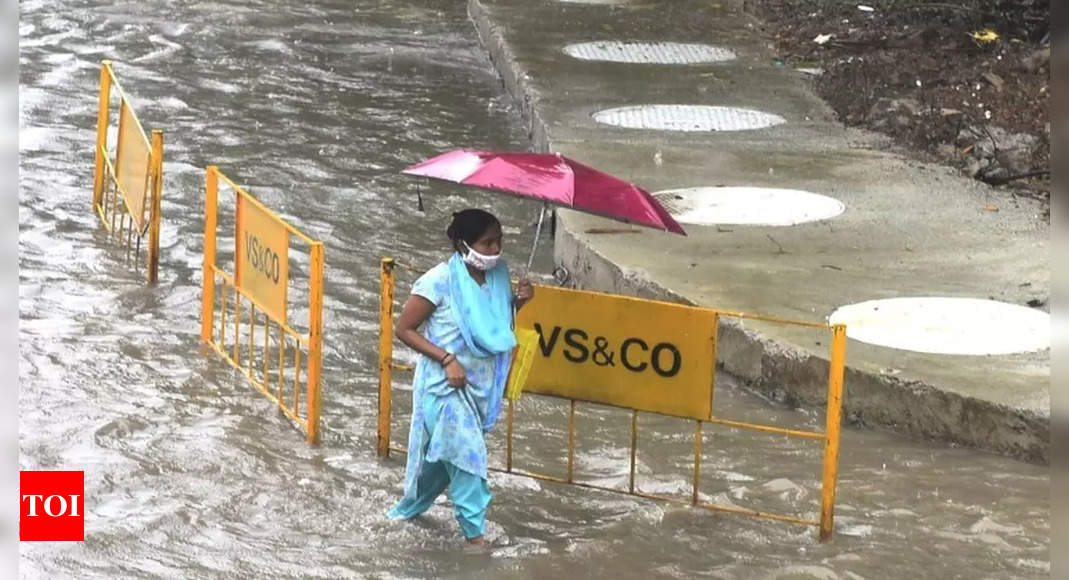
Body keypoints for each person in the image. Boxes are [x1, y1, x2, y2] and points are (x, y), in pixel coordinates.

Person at [387, 208, 535, 544]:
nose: (495, 250)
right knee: (468, 460)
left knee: (440, 466)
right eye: (487, 243)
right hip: (445, 391)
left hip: (479, 390)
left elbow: (492, 325)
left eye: (499, 242)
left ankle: (397, 519)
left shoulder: (498, 277)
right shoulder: (438, 280)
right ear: (462, 243)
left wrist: (520, 303)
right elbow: (405, 329)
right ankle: (475, 542)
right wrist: (446, 358)